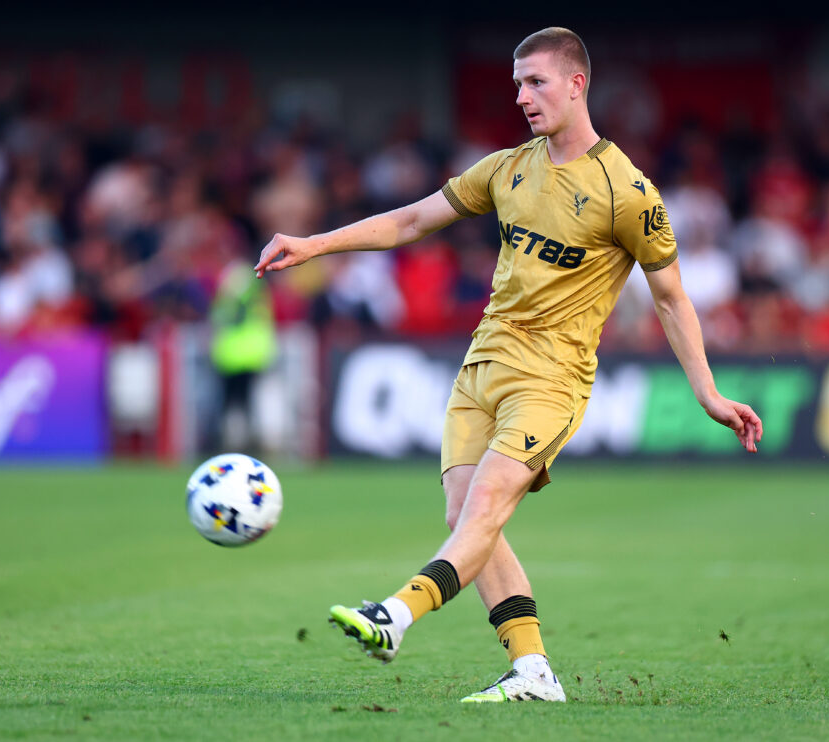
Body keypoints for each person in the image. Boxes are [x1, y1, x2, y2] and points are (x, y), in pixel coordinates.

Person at [254, 27, 763, 703]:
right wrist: (315, 244)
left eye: (537, 82)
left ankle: (394, 614)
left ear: (577, 84)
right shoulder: (506, 168)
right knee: (466, 516)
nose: (522, 96)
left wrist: (707, 391)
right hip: (481, 367)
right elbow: (411, 222)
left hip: (551, 378)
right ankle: (533, 672)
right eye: (517, 84)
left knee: (487, 504)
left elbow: (671, 298)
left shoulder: (627, 191)